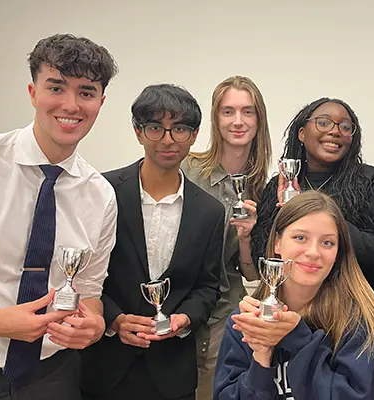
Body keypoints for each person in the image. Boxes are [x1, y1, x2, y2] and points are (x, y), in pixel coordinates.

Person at [0, 34, 118, 400]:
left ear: (100, 102)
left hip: (53, 375)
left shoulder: (101, 196)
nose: (71, 104)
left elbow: (91, 290)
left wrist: (94, 325)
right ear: (33, 92)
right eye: (56, 87)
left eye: (86, 92)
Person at [79, 84, 224, 400]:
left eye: (180, 129)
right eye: (156, 127)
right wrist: (114, 319)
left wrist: (184, 319)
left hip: (172, 372)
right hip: (104, 366)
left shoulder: (211, 212)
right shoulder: (102, 191)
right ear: (138, 131)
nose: (168, 140)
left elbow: (207, 286)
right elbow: (81, 275)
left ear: (195, 134)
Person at [214, 191, 374, 399]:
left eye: (327, 243)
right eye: (300, 237)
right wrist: (261, 359)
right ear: (277, 242)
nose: (313, 252)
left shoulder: (360, 321)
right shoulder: (245, 322)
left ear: (338, 252)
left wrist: (298, 339)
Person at [251, 97, 374, 328]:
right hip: (290, 316)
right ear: (302, 133)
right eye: (324, 123)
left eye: (345, 127)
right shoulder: (281, 185)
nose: (335, 131)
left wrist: (329, 225)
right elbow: (263, 258)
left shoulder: (371, 181)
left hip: (356, 319)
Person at [181, 75, 271, 399]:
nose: (238, 121)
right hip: (178, 300)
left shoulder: (266, 188)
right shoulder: (186, 169)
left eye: (247, 112)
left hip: (226, 308)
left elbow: (252, 275)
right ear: (215, 119)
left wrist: (246, 238)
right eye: (228, 111)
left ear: (259, 120)